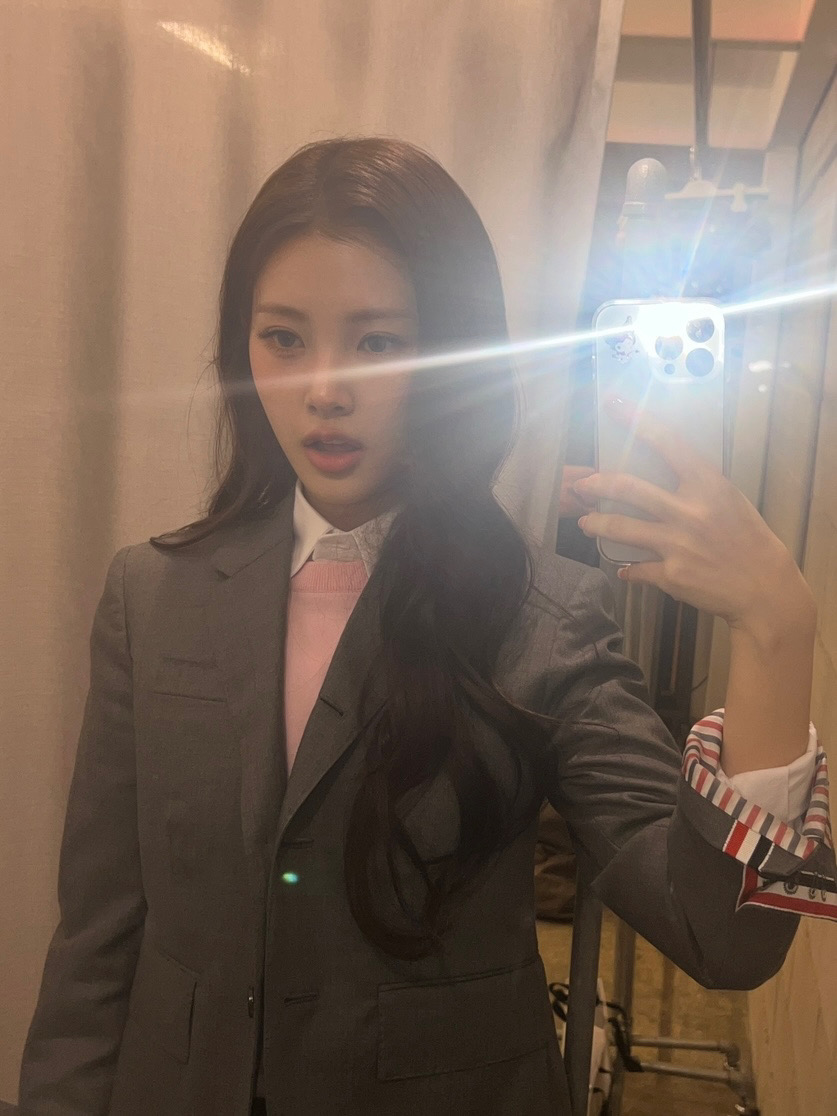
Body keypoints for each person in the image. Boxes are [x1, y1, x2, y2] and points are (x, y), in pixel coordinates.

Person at [18, 136, 835, 1116]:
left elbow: (724, 940)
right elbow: (97, 939)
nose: (325, 388)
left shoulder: (540, 617)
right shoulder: (150, 596)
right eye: (284, 339)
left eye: (378, 343)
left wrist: (776, 626)